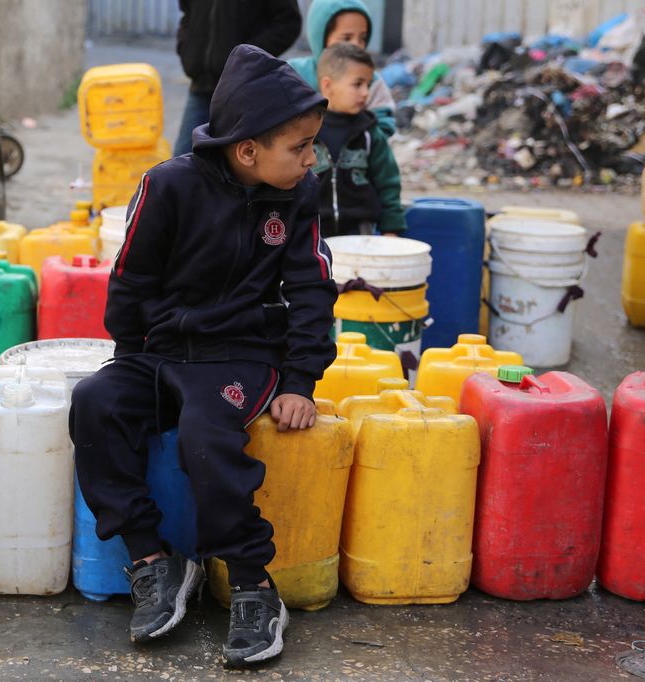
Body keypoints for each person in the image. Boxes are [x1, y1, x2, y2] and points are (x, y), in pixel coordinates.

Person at [69, 45, 336, 667]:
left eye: (311, 145)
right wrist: (131, 360)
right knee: (95, 403)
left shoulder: (298, 194)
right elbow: (130, 279)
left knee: (205, 430)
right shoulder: (169, 185)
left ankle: (252, 583)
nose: (310, 158)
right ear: (248, 150)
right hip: (160, 350)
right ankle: (154, 562)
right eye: (298, 146)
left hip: (241, 355)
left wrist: (299, 380)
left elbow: (312, 291)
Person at [173, 0, 302, 157]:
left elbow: (289, 22)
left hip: (245, 90)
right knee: (182, 168)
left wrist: (246, 57)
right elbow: (187, 11)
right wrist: (186, 49)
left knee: (241, 166)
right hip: (201, 89)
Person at [312, 43, 404, 238]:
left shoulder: (370, 134)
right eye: (357, 84)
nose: (365, 93)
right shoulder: (305, 132)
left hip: (360, 235)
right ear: (327, 85)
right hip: (312, 232)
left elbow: (388, 184)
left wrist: (391, 230)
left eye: (368, 85)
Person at [287, 0, 397, 138]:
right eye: (346, 38)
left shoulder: (372, 82)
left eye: (362, 38)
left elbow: (384, 128)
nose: (356, 45)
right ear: (321, 38)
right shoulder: (294, 74)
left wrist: (359, 130)